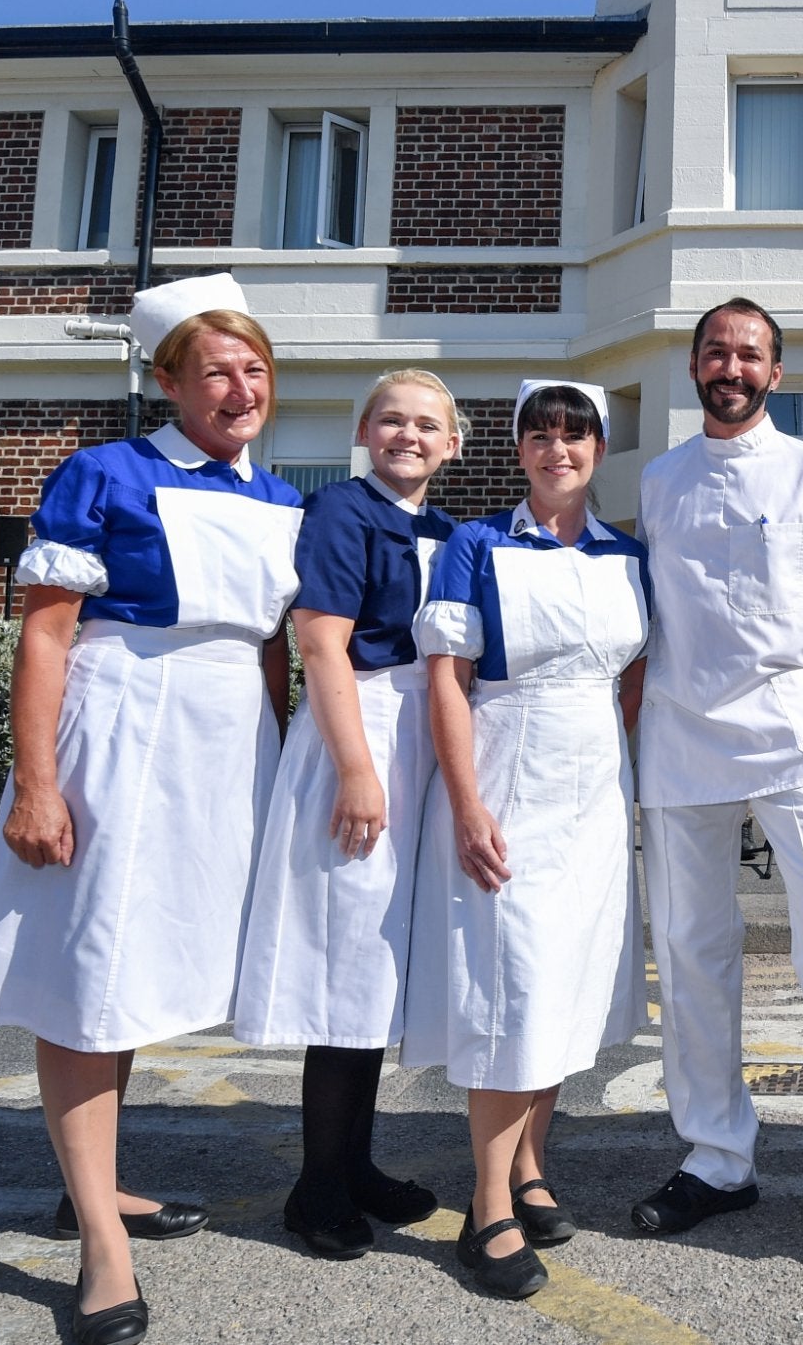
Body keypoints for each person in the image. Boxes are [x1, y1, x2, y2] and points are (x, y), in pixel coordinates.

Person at [0, 273, 304, 1345]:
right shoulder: (102, 473)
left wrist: (283, 764)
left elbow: (276, 650)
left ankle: (93, 1181)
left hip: (221, 739)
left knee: (136, 967)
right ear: (168, 383)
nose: (238, 388)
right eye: (214, 372)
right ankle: (100, 1242)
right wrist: (41, 782)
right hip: (118, 732)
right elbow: (48, 634)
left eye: (253, 369)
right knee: (86, 974)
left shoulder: (281, 496)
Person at [628, 298, 803, 1296]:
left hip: (790, 733)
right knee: (692, 951)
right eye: (716, 350)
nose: (731, 365)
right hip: (678, 735)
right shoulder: (659, 480)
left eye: (749, 353)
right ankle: (717, 1157)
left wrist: (795, 683)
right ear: (696, 363)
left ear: (774, 372)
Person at [404, 379, 651, 1299]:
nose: (559, 450)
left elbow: (630, 682)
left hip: (593, 786)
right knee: (512, 989)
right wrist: (468, 803)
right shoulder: (475, 546)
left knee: (569, 984)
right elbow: (447, 680)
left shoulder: (629, 554)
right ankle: (487, 1207)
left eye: (575, 435)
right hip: (510, 774)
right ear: (518, 451)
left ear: (596, 449)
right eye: (540, 435)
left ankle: (532, 1164)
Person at [235, 369, 461, 1258]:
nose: (408, 435)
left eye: (427, 425)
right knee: (342, 964)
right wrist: (357, 770)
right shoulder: (338, 513)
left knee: (378, 969)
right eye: (392, 420)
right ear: (364, 429)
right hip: (359, 730)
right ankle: (317, 1187)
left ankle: (356, 1164)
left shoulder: (447, 530)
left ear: (452, 444)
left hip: (422, 738)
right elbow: (320, 642)